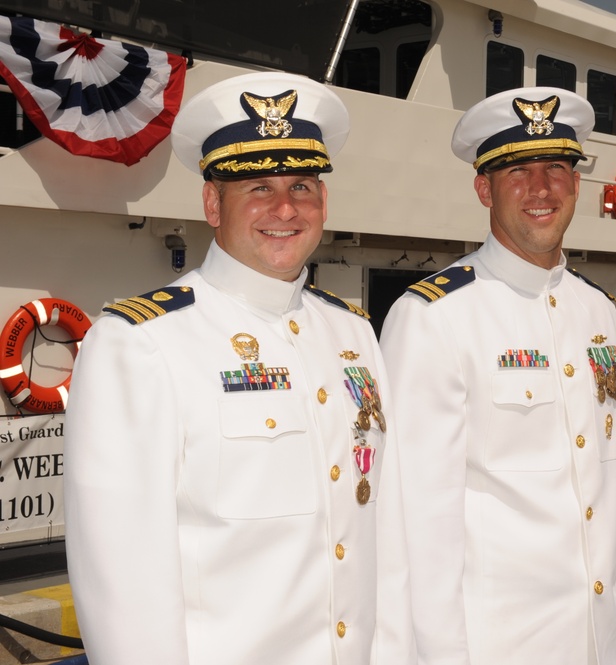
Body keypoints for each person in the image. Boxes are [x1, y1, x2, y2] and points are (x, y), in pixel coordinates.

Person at [64, 72, 410, 665]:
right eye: (257, 187)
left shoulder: (352, 334)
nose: (284, 208)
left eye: (303, 186)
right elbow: (124, 581)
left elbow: (388, 534)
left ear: (324, 202)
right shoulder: (142, 343)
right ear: (211, 203)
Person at [379, 87, 616, 664]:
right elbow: (412, 518)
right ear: (484, 188)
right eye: (518, 171)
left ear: (577, 184)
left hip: (599, 639)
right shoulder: (434, 315)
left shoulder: (596, 311)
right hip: (498, 646)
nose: (541, 188)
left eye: (556, 168)